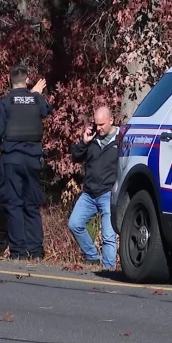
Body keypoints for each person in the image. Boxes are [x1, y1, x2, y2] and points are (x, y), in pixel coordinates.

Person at [0, 65, 49, 260]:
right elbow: (46, 111)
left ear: (10, 81)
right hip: (32, 160)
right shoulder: (37, 99)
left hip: (12, 159)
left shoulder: (4, 103)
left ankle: (19, 252)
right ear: (27, 80)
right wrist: (34, 94)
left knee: (14, 204)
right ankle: (37, 252)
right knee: (31, 204)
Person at [67, 106, 119, 269]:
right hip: (89, 193)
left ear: (111, 120)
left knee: (108, 235)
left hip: (108, 193)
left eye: (102, 124)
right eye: (96, 124)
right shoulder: (92, 138)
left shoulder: (122, 139)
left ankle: (108, 268)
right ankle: (92, 256)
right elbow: (75, 157)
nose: (99, 128)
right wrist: (84, 142)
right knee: (75, 224)